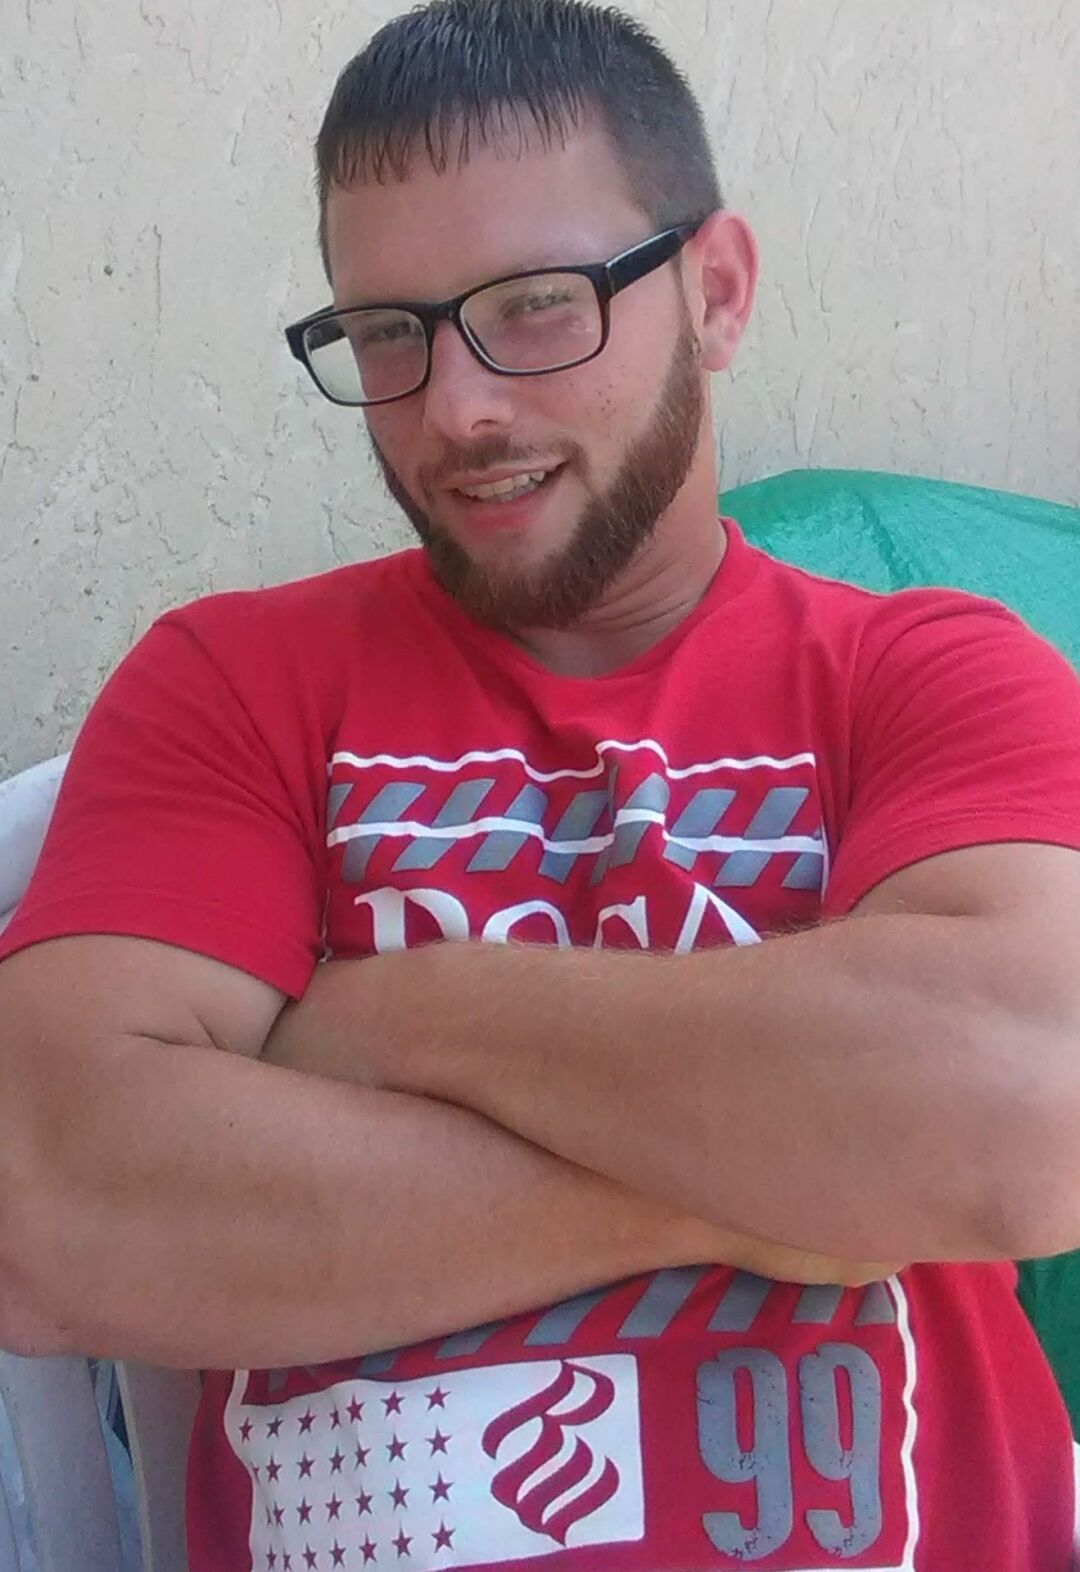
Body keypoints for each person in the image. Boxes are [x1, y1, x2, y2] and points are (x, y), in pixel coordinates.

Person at [2, 0, 1079, 1566]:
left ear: (716, 294)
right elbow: (49, 1197)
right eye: (389, 332)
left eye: (536, 305)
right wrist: (772, 1184)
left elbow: (1029, 1109)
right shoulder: (236, 685)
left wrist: (401, 1019)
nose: (457, 406)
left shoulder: (924, 673)